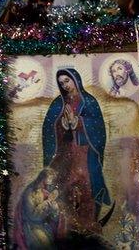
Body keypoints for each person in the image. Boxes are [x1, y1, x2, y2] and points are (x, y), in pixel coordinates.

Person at [42, 68, 110, 233]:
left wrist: (78, 122)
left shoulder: (89, 101)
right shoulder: (58, 103)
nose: (65, 85)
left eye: (67, 80)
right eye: (61, 83)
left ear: (76, 79)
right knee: (65, 187)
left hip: (86, 153)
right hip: (65, 153)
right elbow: (49, 128)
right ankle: (67, 225)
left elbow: (98, 127)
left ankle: (88, 224)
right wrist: (62, 126)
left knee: (88, 187)